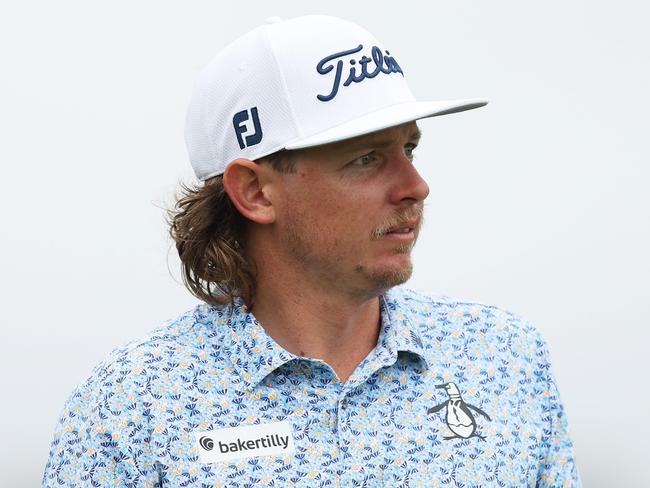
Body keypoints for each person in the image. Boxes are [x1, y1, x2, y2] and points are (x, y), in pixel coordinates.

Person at [43, 15, 580, 487]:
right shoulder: (131, 406)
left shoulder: (505, 358)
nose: (416, 185)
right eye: (367, 158)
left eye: (409, 148)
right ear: (255, 192)